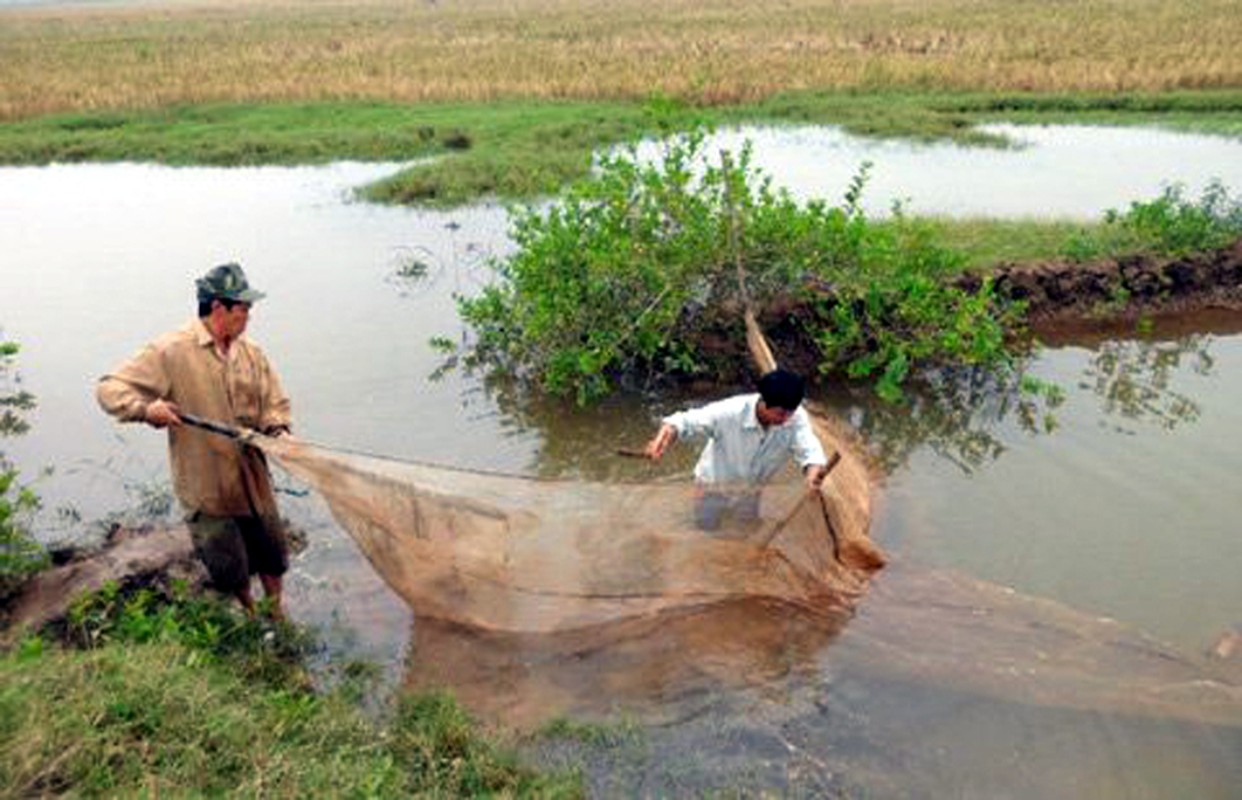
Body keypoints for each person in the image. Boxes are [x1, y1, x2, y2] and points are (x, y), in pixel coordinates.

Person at [96, 262, 293, 618]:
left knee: (272, 555)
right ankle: (249, 617)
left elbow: (274, 403)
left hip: (254, 482)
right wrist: (146, 409)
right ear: (218, 307)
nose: (249, 315)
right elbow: (109, 388)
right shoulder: (171, 351)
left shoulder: (252, 354)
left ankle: (277, 614)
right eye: (242, 307)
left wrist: (278, 429)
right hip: (207, 485)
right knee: (229, 567)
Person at [644, 368, 830, 531]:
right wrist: (664, 437)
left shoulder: (796, 418)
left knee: (744, 532)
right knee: (705, 533)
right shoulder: (730, 412)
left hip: (751, 490)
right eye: (781, 413)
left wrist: (812, 473)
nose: (787, 418)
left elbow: (809, 450)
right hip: (713, 487)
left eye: (791, 412)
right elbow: (685, 422)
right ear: (764, 401)